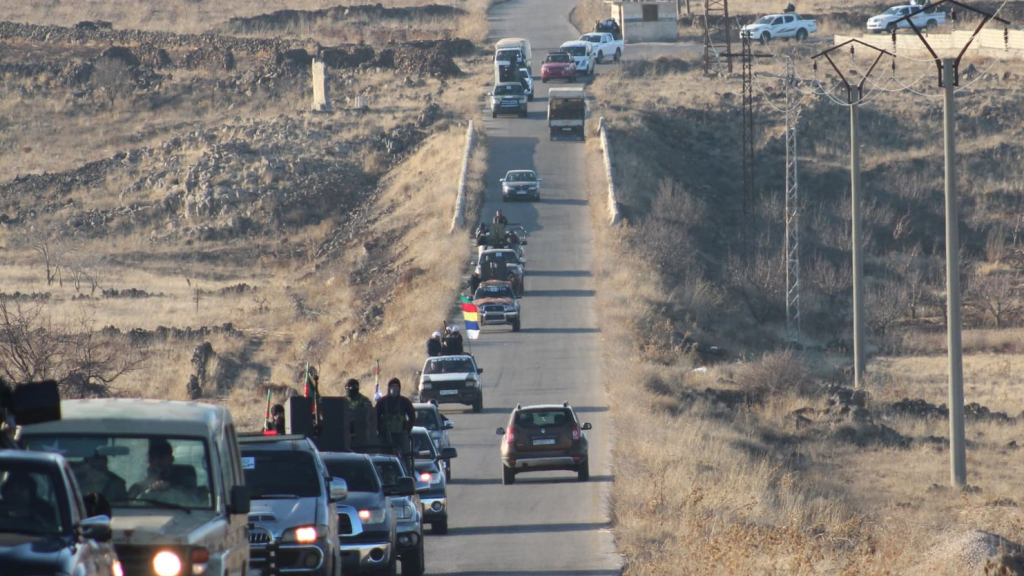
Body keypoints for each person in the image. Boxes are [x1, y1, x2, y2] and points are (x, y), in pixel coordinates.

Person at [128, 439, 195, 500]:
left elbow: (193, 503)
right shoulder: (137, 488)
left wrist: (169, 489)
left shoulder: (184, 487)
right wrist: (148, 489)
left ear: (171, 460)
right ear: (148, 461)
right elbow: (129, 507)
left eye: (161, 457)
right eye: (152, 457)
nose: (156, 462)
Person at [376, 378, 417, 472]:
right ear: (388, 388)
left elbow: (412, 416)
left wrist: (407, 430)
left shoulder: (405, 402)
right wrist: (380, 430)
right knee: (384, 457)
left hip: (401, 434)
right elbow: (375, 417)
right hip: (385, 435)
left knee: (405, 456)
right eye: (392, 387)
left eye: (396, 387)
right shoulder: (382, 402)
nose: (394, 389)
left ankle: (407, 474)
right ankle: (384, 475)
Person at [344, 379, 376, 448]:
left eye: (353, 387)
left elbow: (369, 417)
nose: (350, 389)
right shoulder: (342, 401)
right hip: (345, 432)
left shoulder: (365, 401)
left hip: (361, 433)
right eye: (348, 387)